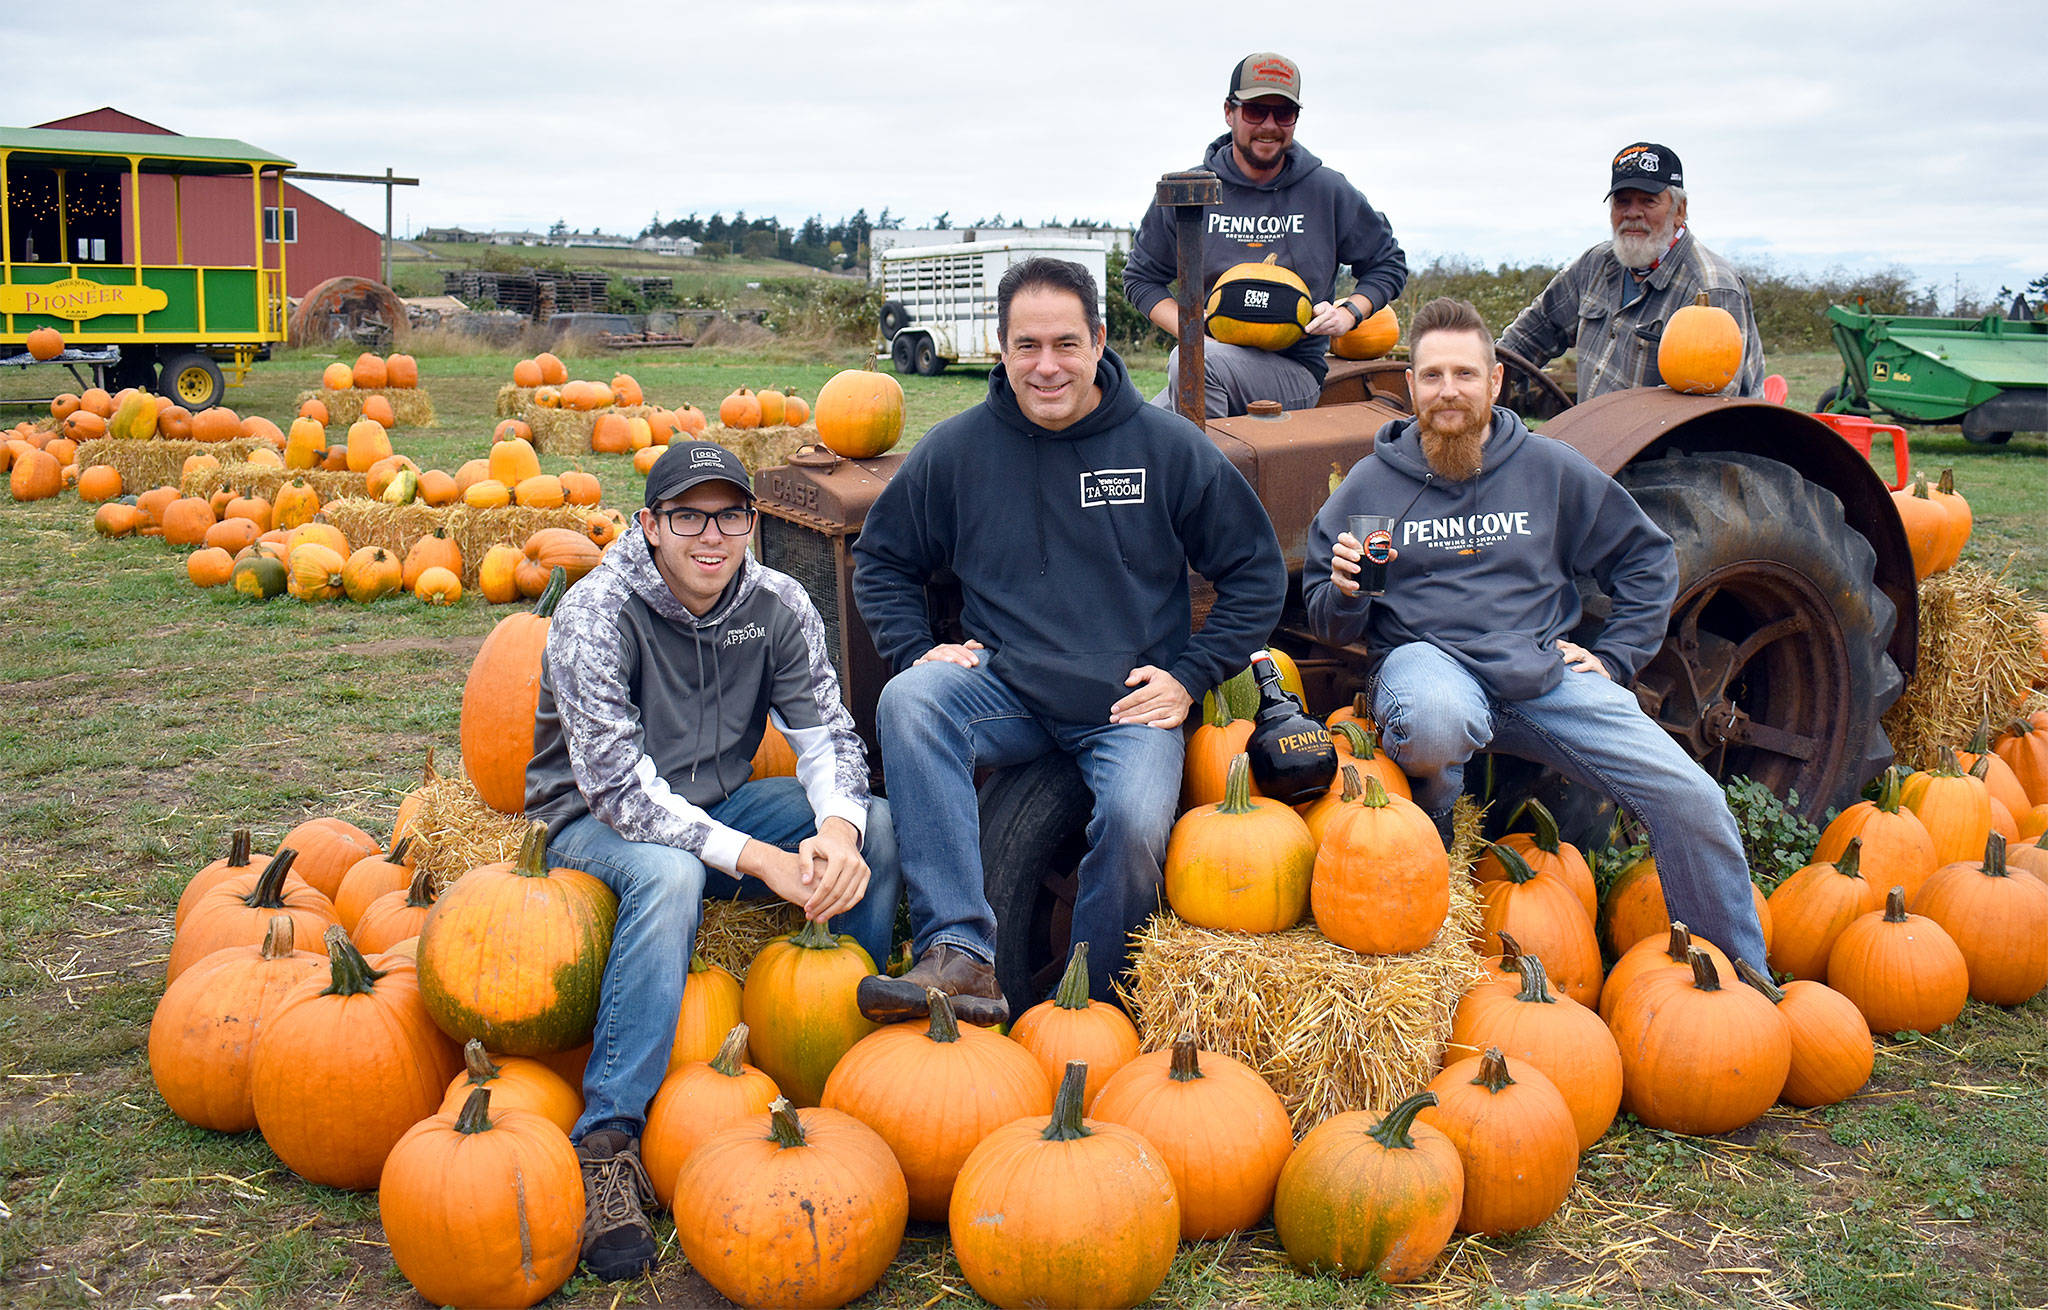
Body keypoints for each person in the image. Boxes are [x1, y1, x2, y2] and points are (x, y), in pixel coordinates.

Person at [851, 256, 1286, 1018]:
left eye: (1064, 344)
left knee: (1134, 822)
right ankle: (960, 953)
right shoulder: (957, 451)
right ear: (1000, 346)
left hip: (1128, 704)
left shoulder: (1164, 447)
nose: (1046, 366)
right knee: (912, 699)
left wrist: (1189, 675)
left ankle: (1089, 1009)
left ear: (1099, 340)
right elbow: (884, 558)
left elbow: (1256, 573)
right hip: (1007, 691)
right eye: (1027, 346)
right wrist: (914, 646)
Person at [523, 441, 903, 1281]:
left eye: (730, 515)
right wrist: (761, 858)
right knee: (671, 871)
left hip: (721, 802)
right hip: (589, 819)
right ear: (650, 524)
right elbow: (621, 790)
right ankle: (609, 1142)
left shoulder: (777, 603)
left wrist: (835, 831)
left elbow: (830, 737)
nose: (712, 536)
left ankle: (849, 1082)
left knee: (873, 821)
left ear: (750, 523)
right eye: (689, 516)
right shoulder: (595, 612)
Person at [1303, 296, 1769, 974]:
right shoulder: (1372, 485)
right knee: (1436, 720)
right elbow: (1327, 615)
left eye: (1466, 375)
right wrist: (1343, 589)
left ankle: (1737, 979)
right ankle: (1425, 868)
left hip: (1542, 679)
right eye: (1432, 376)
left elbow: (1645, 555)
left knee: (1690, 797)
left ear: (1495, 382)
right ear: (1410, 387)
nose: (1448, 392)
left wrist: (1615, 657)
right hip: (1428, 669)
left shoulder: (1549, 469)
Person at [1122, 51, 1408, 418]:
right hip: (1208, 359)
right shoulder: (1190, 191)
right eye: (1256, 111)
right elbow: (1141, 279)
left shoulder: (1326, 191)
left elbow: (1387, 263)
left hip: (1293, 370)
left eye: (1284, 113)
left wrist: (1351, 312)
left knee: (1193, 366)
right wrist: (1196, 334)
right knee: (1140, 424)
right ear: (1230, 112)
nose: (1269, 125)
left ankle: (1212, 474)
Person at [1499, 142, 1765, 400]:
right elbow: (1531, 333)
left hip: (1672, 443)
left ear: (1679, 211)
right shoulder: (1595, 264)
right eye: (1622, 202)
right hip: (1593, 438)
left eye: (1648, 201)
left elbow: (1709, 411)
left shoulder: (1711, 289)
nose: (1633, 213)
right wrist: (1482, 377)